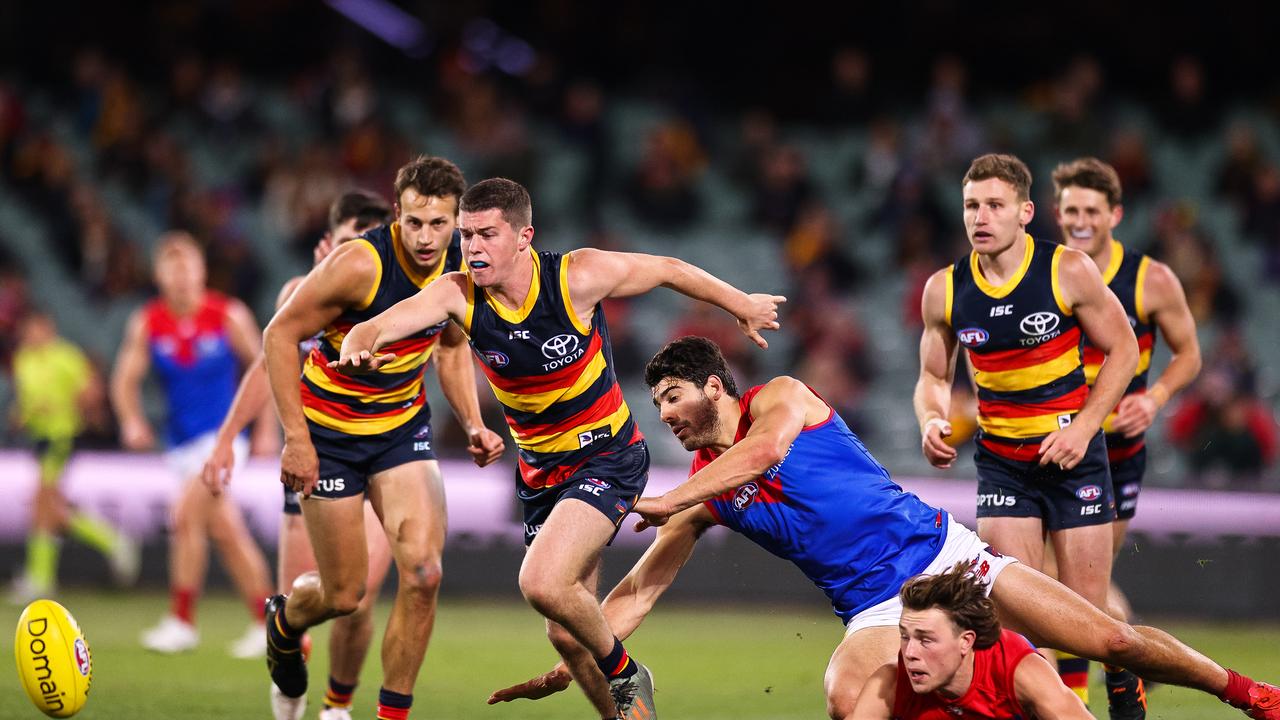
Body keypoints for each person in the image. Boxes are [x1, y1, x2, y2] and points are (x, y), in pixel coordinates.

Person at [485, 336, 1278, 720]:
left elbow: (762, 453)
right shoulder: (701, 492)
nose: (665, 417)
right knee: (846, 696)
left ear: (716, 388)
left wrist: (657, 504)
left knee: (1112, 643)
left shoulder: (781, 400)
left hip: (950, 559)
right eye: (655, 406)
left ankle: (1246, 694)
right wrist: (588, 649)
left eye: (673, 399)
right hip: (875, 607)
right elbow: (640, 591)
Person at [334, 178, 785, 720]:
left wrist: (741, 304)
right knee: (568, 637)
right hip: (541, 474)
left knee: (542, 583)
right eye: (466, 235)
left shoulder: (576, 277)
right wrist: (359, 346)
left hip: (607, 456)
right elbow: (376, 326)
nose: (472, 248)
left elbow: (667, 267)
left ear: (524, 236)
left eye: (486, 235)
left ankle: (626, 672)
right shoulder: (456, 293)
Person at [262, 156, 505, 720]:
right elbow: (278, 337)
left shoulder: (460, 267)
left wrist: (472, 421)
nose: (426, 237)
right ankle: (284, 624)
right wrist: (296, 439)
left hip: (401, 433)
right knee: (343, 595)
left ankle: (391, 715)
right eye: (415, 223)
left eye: (440, 224)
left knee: (424, 572)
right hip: (332, 439)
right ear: (397, 214)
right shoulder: (359, 265)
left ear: (457, 222)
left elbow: (447, 347)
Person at [913, 153, 1139, 712]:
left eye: (994, 205)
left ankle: (1123, 686)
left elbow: (1124, 349)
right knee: (1021, 611)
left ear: (1025, 212)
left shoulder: (1067, 270)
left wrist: (1085, 429)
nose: (980, 216)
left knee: (1087, 617)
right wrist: (932, 419)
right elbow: (933, 375)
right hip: (1002, 463)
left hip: (1075, 459)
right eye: (971, 205)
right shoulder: (944, 289)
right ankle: (1057, 710)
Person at [202, 190, 396, 720]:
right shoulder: (301, 297)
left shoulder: (401, 299)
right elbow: (266, 369)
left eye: (375, 245)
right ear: (325, 247)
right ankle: (290, 698)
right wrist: (228, 439)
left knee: (357, 597)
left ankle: (337, 708)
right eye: (354, 244)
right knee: (301, 601)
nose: (364, 257)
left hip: (380, 458)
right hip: (314, 462)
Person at [1051, 156, 1202, 715]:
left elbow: (1189, 353)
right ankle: (1085, 690)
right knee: (1058, 586)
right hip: (1057, 443)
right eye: (1071, 211)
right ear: (1057, 213)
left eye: (1092, 210)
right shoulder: (1048, 272)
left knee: (1082, 588)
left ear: (1115, 213)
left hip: (1115, 450)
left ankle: (1124, 655)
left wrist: (1155, 398)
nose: (1081, 221)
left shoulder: (1150, 280)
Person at [110, 231, 275, 657]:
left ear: (202, 271)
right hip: (180, 447)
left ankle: (182, 620)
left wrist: (265, 430)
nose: (181, 277)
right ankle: (270, 624)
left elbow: (267, 366)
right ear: (160, 275)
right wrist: (131, 420)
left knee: (185, 516)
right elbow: (124, 380)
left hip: (224, 440)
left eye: (188, 267)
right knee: (226, 531)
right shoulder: (148, 321)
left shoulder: (227, 314)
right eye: (172, 268)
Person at [8, 311, 139, 603]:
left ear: (48, 329)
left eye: (37, 329)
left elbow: (90, 392)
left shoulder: (66, 357)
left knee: (42, 504)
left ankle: (40, 579)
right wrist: (21, 415)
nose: (33, 335)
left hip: (61, 437)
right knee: (51, 509)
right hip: (38, 439)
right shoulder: (23, 360)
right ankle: (113, 540)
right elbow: (25, 400)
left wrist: (77, 407)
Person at [851, 562, 1092, 720]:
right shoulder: (891, 683)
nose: (909, 652)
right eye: (905, 636)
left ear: (966, 641)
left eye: (926, 640)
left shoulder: (1018, 672)